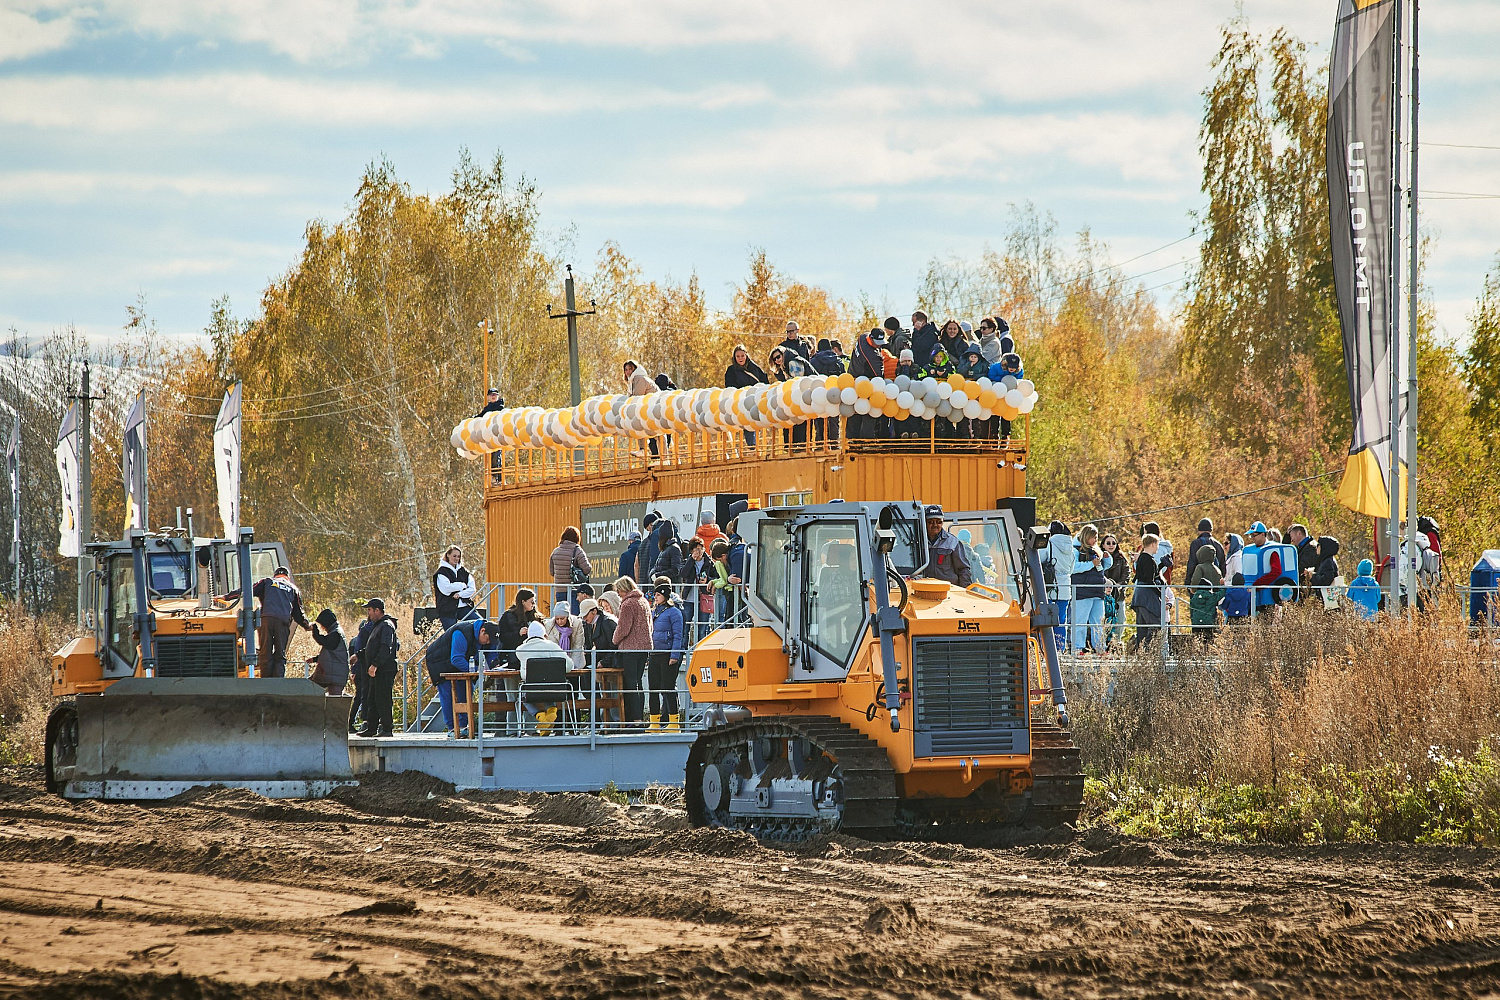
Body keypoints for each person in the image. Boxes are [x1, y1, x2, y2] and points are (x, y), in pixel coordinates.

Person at [432, 618, 497, 735]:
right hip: (440, 661)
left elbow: (492, 655)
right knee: (448, 693)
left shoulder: (487, 638)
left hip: (462, 662)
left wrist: (494, 665)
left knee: (467, 690)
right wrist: (476, 670)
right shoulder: (462, 633)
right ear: (482, 631)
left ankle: (463, 726)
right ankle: (452, 728)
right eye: (487, 639)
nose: (488, 643)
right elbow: (456, 659)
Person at [251, 567, 311, 679]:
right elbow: (298, 614)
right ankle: (279, 683)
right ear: (288, 577)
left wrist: (227, 596)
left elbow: (247, 590)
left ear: (275, 575)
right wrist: (307, 626)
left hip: (266, 619)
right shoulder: (293, 588)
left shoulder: (267, 582)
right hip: (282, 622)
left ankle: (265, 682)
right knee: (280, 655)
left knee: (265, 653)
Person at [612, 577, 652, 725]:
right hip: (644, 647)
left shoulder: (628, 604)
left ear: (624, 589)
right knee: (638, 682)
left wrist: (614, 640)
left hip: (630, 648)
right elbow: (650, 625)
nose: (618, 594)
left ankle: (635, 719)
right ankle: (639, 717)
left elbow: (623, 628)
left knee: (630, 683)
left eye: (618, 590)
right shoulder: (643, 601)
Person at [515, 621, 567, 734]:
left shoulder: (520, 650)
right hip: (554, 691)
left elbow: (523, 674)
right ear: (544, 634)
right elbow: (569, 665)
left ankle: (541, 717)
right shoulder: (553, 647)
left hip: (532, 692)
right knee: (548, 693)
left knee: (522, 698)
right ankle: (551, 711)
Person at [357, 598, 400, 737]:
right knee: (372, 699)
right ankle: (372, 727)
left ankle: (387, 728)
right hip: (377, 669)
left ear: (377, 610)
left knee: (383, 698)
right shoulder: (378, 625)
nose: (368, 613)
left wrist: (375, 664)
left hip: (384, 669)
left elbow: (385, 648)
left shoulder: (386, 625)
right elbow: (373, 647)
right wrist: (359, 655)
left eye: (370, 610)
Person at [648, 582, 686, 731]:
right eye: (655, 595)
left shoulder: (674, 612)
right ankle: (654, 722)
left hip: (667, 654)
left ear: (665, 596)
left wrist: (674, 655)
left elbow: (678, 636)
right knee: (653, 689)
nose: (655, 597)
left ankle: (674, 721)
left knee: (668, 688)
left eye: (658, 595)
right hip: (655, 654)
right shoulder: (654, 611)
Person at [1070, 525, 1110, 654]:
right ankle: (1077, 649)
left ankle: (1100, 648)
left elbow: (1103, 567)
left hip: (1097, 590)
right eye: (1093, 537)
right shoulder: (1075, 550)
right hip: (1083, 591)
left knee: (1098, 622)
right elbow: (1074, 568)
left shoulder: (1095, 550)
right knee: (1080, 621)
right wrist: (1090, 564)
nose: (1096, 540)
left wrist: (1107, 558)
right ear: (1086, 536)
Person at [1039, 520, 1076, 650]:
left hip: (1050, 586)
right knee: (1061, 620)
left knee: (1046, 620)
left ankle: (1045, 649)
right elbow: (1071, 569)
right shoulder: (1070, 548)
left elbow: (1039, 561)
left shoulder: (1048, 545)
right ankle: (1060, 648)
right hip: (1065, 588)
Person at [1127, 535, 1164, 655]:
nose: (1157, 547)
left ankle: (1141, 653)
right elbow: (1149, 580)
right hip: (1146, 596)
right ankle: (1147, 652)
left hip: (1140, 595)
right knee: (1154, 625)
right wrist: (1160, 593)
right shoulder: (1147, 559)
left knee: (1142, 627)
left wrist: (1162, 565)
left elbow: (1149, 574)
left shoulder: (1143, 558)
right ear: (1153, 544)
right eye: (1157, 545)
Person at [919, 505, 974, 586]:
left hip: (948, 589)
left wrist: (965, 590)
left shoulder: (953, 542)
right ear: (924, 522)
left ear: (943, 522)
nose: (935, 525)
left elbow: (963, 569)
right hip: (923, 588)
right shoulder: (917, 542)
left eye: (939, 522)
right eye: (931, 522)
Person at [1187, 545, 1226, 646]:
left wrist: (1193, 591)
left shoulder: (1200, 567)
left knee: (1198, 636)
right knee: (1210, 635)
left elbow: (1194, 583)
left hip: (1200, 604)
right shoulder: (1217, 569)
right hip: (1212, 604)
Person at [432, 545, 477, 631]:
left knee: (481, 624)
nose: (456, 558)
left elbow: (472, 589)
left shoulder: (464, 571)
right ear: (448, 555)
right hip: (447, 609)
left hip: (464, 607)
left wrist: (460, 594)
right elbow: (446, 589)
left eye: (458, 556)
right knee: (452, 633)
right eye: (454, 556)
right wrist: (462, 585)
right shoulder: (441, 572)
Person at [549, 526, 592, 614]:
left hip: (559, 590)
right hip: (574, 590)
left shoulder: (555, 552)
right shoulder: (577, 551)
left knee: (562, 615)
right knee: (574, 616)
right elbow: (587, 569)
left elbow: (552, 572)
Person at [307, 608, 349, 696]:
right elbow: (332, 654)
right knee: (334, 700)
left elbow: (323, 641)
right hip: (336, 674)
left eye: (322, 625)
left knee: (333, 700)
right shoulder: (336, 632)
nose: (322, 627)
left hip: (334, 676)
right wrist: (315, 659)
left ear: (326, 623)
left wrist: (315, 630)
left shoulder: (335, 634)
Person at [496, 588, 538, 667]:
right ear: (523, 602)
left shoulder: (534, 616)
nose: (534, 604)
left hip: (530, 654)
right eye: (532, 602)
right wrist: (518, 633)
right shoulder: (508, 616)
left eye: (534, 601)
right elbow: (503, 637)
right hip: (513, 655)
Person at [1101, 533, 1129, 650]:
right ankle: (1102, 643)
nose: (1111, 545)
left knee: (1120, 618)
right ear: (1103, 545)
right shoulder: (1100, 557)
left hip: (1118, 595)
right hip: (1103, 595)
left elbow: (1126, 574)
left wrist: (1119, 585)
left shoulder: (1122, 559)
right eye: (1108, 543)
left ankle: (1116, 642)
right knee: (1103, 619)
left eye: (1113, 543)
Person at [684, 536, 714, 641]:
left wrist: (707, 580)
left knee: (703, 628)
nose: (699, 551)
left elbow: (716, 577)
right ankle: (683, 649)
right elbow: (683, 573)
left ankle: (701, 648)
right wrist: (691, 560)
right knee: (685, 626)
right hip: (689, 598)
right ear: (691, 550)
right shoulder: (688, 561)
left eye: (701, 548)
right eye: (696, 549)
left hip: (704, 598)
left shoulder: (709, 562)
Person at [546, 604, 586, 670]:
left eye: (562, 618)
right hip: (557, 659)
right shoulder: (549, 625)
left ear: (567, 617)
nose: (559, 621)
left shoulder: (577, 623)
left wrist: (572, 666)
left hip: (576, 659)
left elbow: (578, 645)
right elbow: (553, 646)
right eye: (557, 619)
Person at [650, 518, 684, 586]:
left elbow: (675, 570)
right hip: (663, 585)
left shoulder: (674, 549)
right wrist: (652, 573)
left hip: (671, 586)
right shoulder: (665, 549)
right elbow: (657, 566)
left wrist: (658, 575)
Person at [635, 511, 664, 587]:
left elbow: (636, 565)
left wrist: (638, 584)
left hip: (644, 583)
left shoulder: (642, 544)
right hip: (655, 582)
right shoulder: (660, 541)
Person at [1310, 536, 1341, 603]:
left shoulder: (1328, 561)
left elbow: (1326, 580)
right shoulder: (1326, 560)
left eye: (1318, 545)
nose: (1316, 547)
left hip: (1327, 599)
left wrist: (1313, 576)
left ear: (1325, 547)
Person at [710, 539, 733, 623]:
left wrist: (715, 585)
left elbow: (724, 580)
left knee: (729, 617)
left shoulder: (718, 563)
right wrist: (714, 582)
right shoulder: (730, 559)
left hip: (730, 592)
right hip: (733, 591)